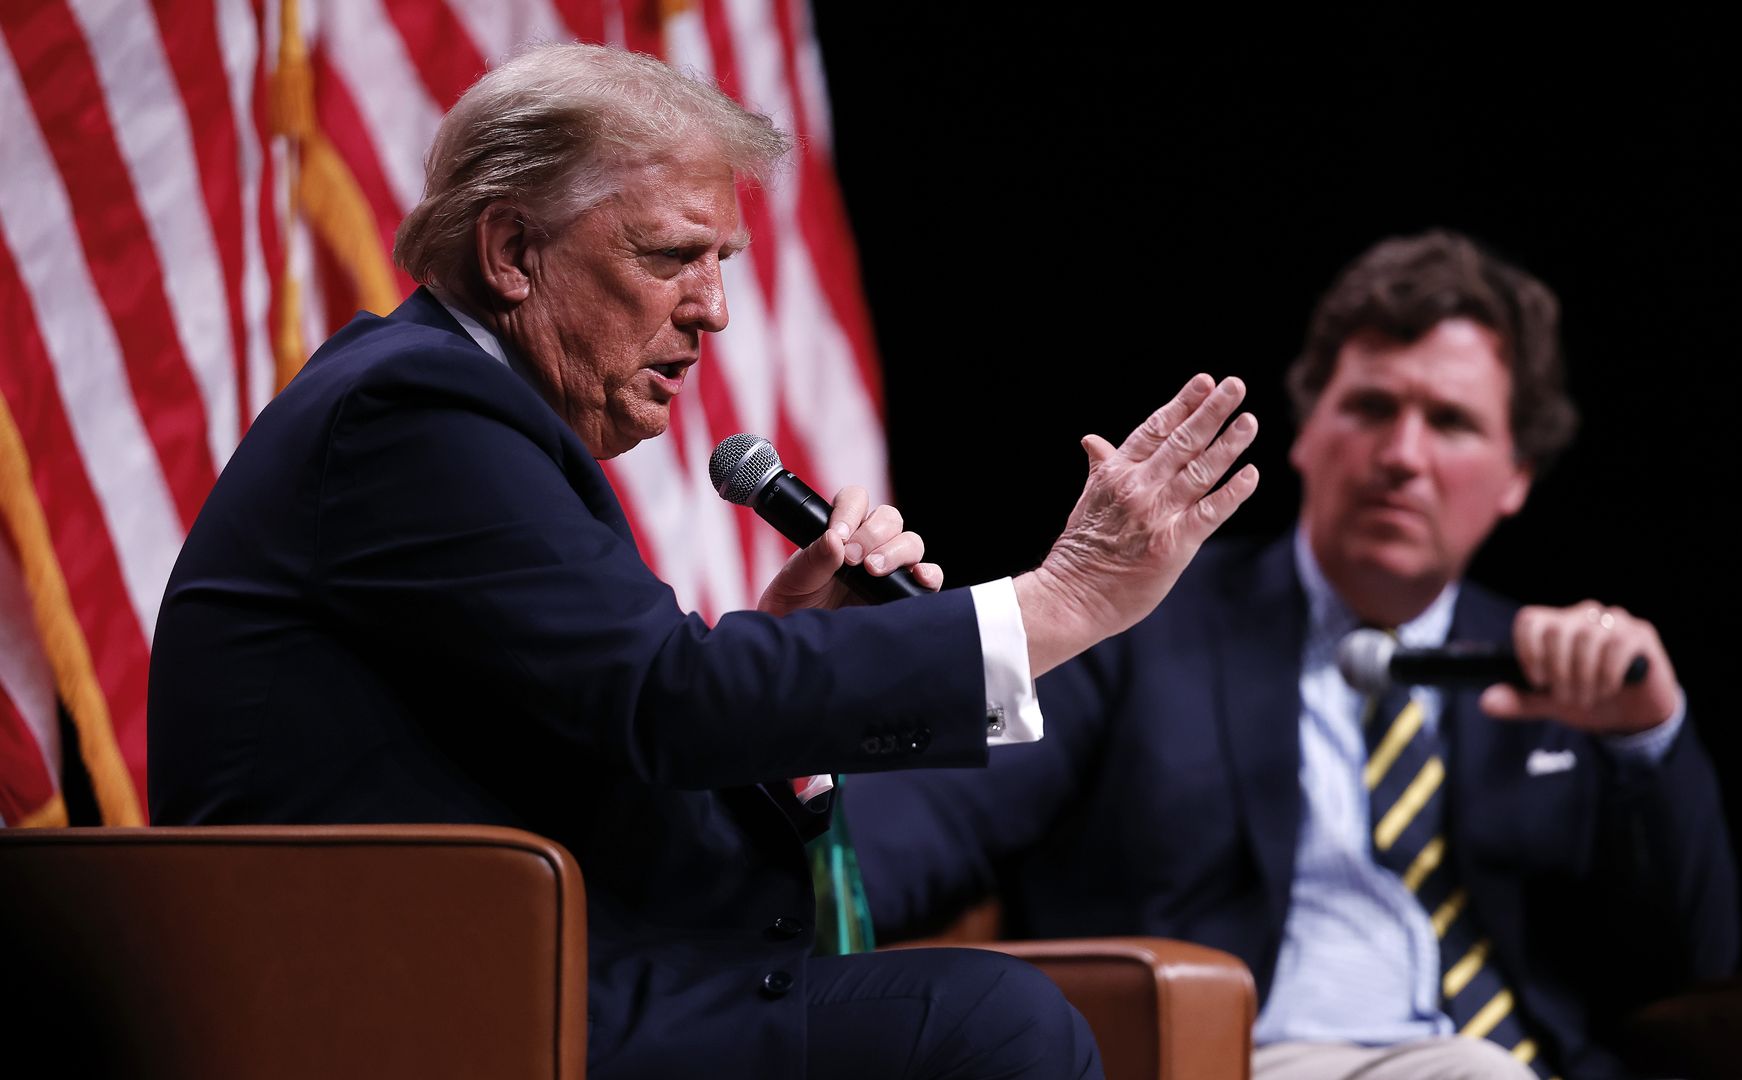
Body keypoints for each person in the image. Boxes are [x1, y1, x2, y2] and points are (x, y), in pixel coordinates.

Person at [147, 43, 1263, 1080]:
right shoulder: (414, 410)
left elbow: (610, 726)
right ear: (512, 251)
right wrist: (1059, 599)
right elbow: (663, 703)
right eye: (674, 256)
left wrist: (790, 656)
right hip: (418, 1011)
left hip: (516, 972)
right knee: (992, 1023)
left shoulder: (458, 411)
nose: (717, 311)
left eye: (722, 261)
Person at [844, 230, 1739, 1079]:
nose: (1402, 455)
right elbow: (929, 822)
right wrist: (763, 911)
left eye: (1453, 422)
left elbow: (1690, 969)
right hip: (1243, 1058)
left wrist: (1644, 740)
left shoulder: (1560, 673)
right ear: (1307, 431)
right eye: (1372, 407)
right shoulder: (1145, 627)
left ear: (1517, 476)